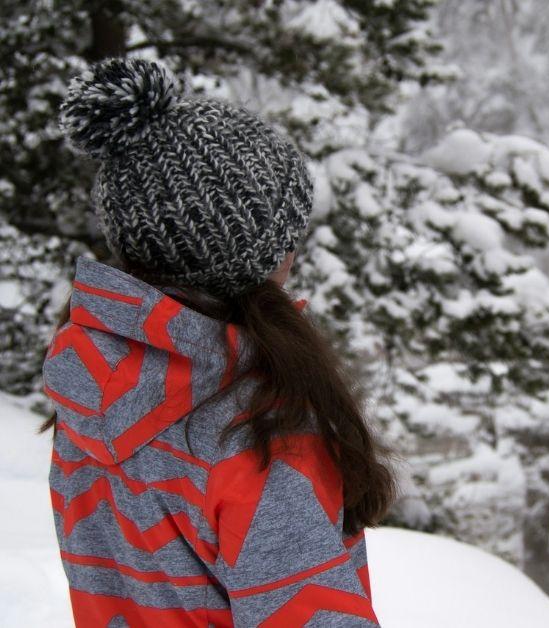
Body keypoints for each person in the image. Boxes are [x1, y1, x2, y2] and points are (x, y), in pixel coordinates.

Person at [44, 57, 392, 626]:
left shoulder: (90, 383)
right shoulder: (258, 434)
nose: (293, 254)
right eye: (286, 237)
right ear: (248, 257)